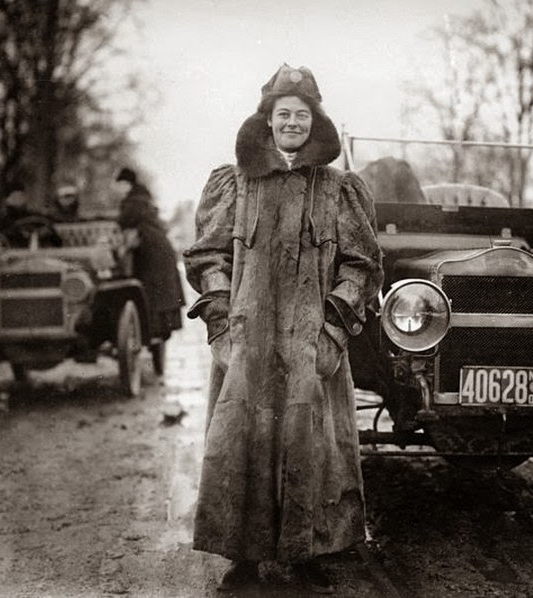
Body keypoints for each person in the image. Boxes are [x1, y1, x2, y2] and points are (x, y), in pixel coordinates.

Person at [183, 64, 383, 593]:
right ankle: (241, 560)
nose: (292, 122)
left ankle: (307, 554)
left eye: (301, 115)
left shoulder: (339, 189)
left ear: (314, 123)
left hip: (310, 344)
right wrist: (224, 325)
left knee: (313, 446)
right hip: (247, 344)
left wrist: (331, 332)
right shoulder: (235, 184)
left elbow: (362, 264)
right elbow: (207, 257)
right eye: (282, 114)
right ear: (267, 122)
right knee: (240, 444)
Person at [115, 167, 185, 342]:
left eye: (121, 184)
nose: (118, 188)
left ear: (127, 183)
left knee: (151, 288)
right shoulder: (143, 198)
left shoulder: (133, 201)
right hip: (158, 247)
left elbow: (123, 221)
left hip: (150, 249)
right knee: (157, 289)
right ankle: (157, 330)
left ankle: (151, 331)